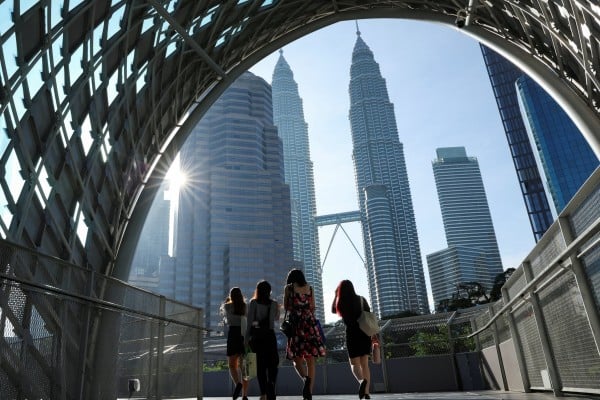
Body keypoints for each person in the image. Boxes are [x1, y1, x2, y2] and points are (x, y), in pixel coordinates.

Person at [284, 268, 326, 400]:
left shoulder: (289, 288)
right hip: (310, 325)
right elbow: (312, 306)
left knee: (296, 359)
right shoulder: (310, 288)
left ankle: (305, 379)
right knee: (310, 360)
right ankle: (309, 392)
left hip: (296, 326)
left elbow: (286, 307)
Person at [331, 280, 374, 399]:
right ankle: (367, 392)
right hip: (364, 333)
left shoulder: (342, 302)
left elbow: (333, 310)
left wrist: (335, 295)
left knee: (354, 364)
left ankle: (361, 382)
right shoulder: (361, 299)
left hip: (351, 334)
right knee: (365, 364)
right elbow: (369, 314)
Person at [245, 280, 280, 400]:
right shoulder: (274, 304)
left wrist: (246, 340)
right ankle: (272, 385)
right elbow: (275, 320)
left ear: (257, 290)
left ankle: (263, 394)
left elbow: (250, 323)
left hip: (257, 338)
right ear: (270, 291)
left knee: (260, 367)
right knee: (273, 364)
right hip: (270, 336)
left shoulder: (253, 303)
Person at [221, 287, 249, 400]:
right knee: (244, 369)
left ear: (231, 296)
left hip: (233, 335)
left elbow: (226, 319)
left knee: (232, 365)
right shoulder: (245, 306)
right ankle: (244, 396)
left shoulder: (227, 306)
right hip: (243, 335)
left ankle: (238, 384)